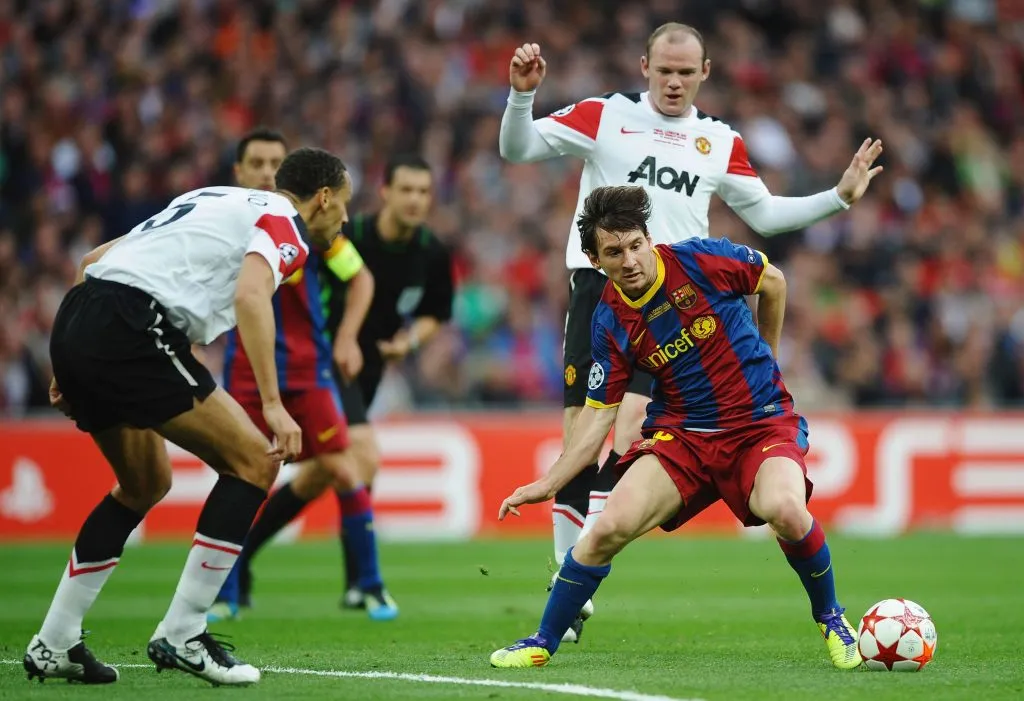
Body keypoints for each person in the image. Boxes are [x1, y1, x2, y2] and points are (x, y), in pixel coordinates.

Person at [498, 22, 883, 642]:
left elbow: (765, 214)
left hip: (682, 300)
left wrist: (837, 197)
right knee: (581, 436)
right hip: (603, 293)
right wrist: (521, 96)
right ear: (644, 66)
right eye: (663, 70)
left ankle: (597, 545)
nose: (673, 82)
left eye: (685, 72)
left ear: (705, 73)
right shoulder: (605, 115)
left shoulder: (718, 141)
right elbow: (518, 150)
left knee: (628, 428)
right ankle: (569, 576)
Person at [489, 185, 861, 671]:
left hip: (759, 424)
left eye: (635, 245)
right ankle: (542, 641)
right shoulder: (609, 321)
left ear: (649, 239)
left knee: (786, 510)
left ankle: (831, 617)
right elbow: (598, 418)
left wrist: (768, 355)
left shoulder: (701, 259)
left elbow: (773, 282)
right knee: (608, 528)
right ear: (595, 260)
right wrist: (547, 484)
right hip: (684, 438)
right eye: (614, 252)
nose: (629, 261)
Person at [23, 147, 351, 687]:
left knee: (144, 482)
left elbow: (92, 260)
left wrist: (68, 362)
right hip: (132, 326)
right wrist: (272, 405)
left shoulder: (211, 197)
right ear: (322, 198)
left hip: (80, 317)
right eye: (343, 204)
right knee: (255, 461)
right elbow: (251, 297)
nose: (344, 218)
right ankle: (184, 633)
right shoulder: (285, 224)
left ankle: (54, 641)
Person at [228, 153, 453, 611]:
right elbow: (350, 279)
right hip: (328, 362)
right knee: (362, 457)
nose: (415, 200)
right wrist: (346, 337)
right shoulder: (348, 233)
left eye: (423, 191)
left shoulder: (432, 251)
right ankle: (360, 583)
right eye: (406, 189)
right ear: (385, 193)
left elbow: (436, 313)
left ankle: (242, 554)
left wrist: (408, 342)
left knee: (319, 476)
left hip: (369, 370)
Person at [207, 128, 397, 623]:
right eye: (257, 163)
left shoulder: (312, 231)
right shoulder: (232, 223)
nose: (267, 171)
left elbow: (361, 279)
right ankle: (227, 590)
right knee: (241, 476)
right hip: (248, 371)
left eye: (276, 162)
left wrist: (347, 336)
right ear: (239, 172)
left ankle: (369, 586)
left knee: (344, 467)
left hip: (309, 369)